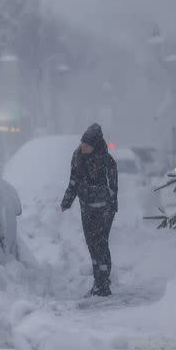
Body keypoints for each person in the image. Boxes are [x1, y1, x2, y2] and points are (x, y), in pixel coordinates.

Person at [60, 123, 118, 297]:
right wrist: (66, 202)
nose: (83, 146)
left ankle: (103, 284)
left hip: (104, 210)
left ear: (95, 145)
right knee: (92, 245)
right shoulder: (77, 157)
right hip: (87, 208)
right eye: (82, 143)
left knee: (101, 244)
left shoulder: (107, 161)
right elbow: (73, 181)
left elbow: (114, 188)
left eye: (87, 144)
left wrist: (112, 207)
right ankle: (99, 281)